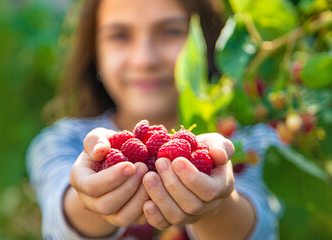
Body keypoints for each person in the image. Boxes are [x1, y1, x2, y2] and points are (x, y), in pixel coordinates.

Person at [26, 0, 280, 239]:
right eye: (120, 35)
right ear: (94, 51)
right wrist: (88, 199)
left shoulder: (246, 141)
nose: (144, 59)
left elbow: (260, 227)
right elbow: (60, 221)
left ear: (207, 40)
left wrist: (217, 205)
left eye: (170, 31)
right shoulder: (60, 142)